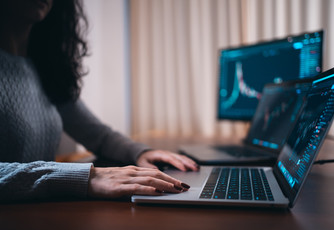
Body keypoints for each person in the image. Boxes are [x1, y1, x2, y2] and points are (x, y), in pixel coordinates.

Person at [0, 0, 199, 202]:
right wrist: (86, 177)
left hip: (42, 214)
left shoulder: (43, 67)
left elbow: (98, 135)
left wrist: (140, 152)